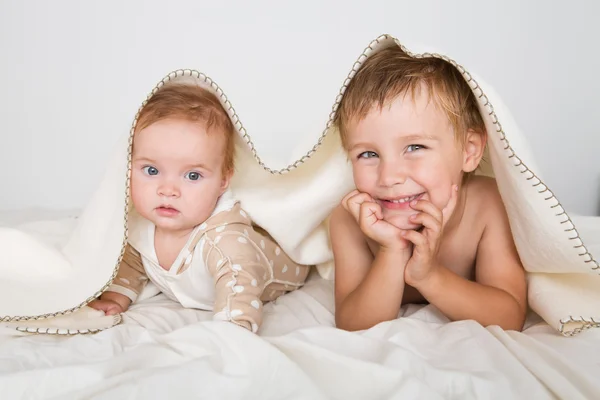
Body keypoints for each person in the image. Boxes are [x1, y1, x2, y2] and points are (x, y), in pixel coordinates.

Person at [330, 46, 527, 332]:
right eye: (368, 154)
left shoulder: (487, 206)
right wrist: (392, 251)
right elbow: (353, 325)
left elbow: (510, 317)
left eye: (414, 147)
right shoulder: (349, 219)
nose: (390, 177)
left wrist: (430, 276)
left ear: (468, 151)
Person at [89, 83, 310, 333]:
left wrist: (232, 329)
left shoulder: (224, 240)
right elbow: (133, 261)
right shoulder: (140, 223)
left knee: (247, 259)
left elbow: (240, 284)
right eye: (152, 171)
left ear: (223, 181)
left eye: (193, 176)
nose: (168, 190)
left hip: (277, 266)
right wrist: (115, 296)